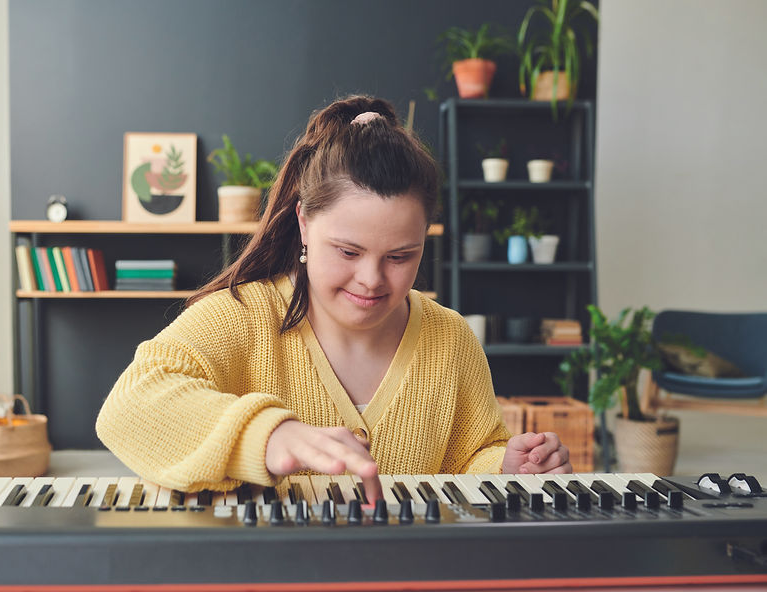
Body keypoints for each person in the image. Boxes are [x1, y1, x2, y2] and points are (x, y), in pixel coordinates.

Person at [96, 95, 571, 503]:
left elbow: (467, 458)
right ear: (304, 223)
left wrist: (506, 468)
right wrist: (269, 435)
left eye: (401, 256)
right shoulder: (243, 315)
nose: (371, 279)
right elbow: (129, 406)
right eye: (348, 251)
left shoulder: (450, 336)